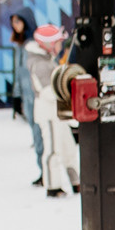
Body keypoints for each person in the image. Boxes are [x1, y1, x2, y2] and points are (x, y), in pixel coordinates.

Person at [27, 23, 79, 196]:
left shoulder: (46, 60)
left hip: (57, 111)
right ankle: (52, 186)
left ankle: (76, 180)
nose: (61, 47)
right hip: (48, 113)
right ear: (47, 44)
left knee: (68, 147)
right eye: (58, 43)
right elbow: (48, 90)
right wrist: (68, 94)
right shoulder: (39, 64)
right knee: (53, 149)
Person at [10, 9, 42, 175]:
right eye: (13, 22)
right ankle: (43, 171)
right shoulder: (20, 45)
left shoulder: (34, 45)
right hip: (26, 96)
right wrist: (17, 96)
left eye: (18, 21)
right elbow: (18, 72)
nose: (15, 26)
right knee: (35, 133)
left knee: (40, 133)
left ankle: (46, 173)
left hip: (37, 96)